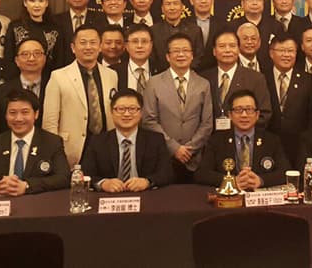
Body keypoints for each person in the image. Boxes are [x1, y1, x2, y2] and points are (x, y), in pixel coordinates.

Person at [0, 89, 69, 196]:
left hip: (36, 203)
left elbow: (63, 178)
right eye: (12, 113)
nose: (18, 118)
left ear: (36, 114)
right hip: (1, 202)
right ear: (6, 115)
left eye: (25, 112)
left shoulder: (51, 142)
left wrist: (27, 186)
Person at [42, 24, 120, 166]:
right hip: (71, 148)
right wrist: (54, 153)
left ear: (100, 46)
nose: (88, 47)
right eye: (83, 43)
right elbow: (50, 123)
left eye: (93, 42)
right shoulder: (58, 76)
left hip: (105, 145)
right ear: (73, 48)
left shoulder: (111, 75)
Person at [142, 33, 214, 182]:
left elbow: (207, 123)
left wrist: (190, 149)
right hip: (164, 156)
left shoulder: (203, 84)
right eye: (176, 51)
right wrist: (174, 148)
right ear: (168, 57)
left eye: (185, 50)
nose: (181, 54)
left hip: (194, 157)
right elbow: (149, 120)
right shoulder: (154, 83)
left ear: (192, 55)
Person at [195, 90, 290, 191]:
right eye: (238, 110)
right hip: (230, 196)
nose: (244, 115)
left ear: (257, 114)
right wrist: (231, 181)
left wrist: (261, 180)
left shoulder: (271, 140)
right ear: (230, 115)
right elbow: (201, 174)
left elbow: (285, 171)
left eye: (249, 109)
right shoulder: (216, 140)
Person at [81, 89, 174, 192]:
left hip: (145, 195)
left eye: (132, 109)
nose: (126, 114)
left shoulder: (155, 140)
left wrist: (147, 181)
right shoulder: (98, 142)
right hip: (110, 197)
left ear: (141, 113)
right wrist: (103, 183)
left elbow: (167, 173)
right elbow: (85, 174)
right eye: (121, 109)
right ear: (112, 112)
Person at [200, 30, 272, 130]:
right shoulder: (203, 78)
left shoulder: (256, 78)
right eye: (222, 46)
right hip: (209, 137)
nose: (227, 50)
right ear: (214, 51)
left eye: (232, 46)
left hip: (243, 136)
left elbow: (264, 114)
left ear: (238, 50)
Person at [0, 38, 48, 140]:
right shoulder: (0, 91)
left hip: (46, 144)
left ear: (44, 58)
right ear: (17, 61)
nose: (31, 58)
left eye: (37, 53)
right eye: (25, 54)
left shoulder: (53, 86)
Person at [264, 33, 312, 164]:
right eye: (281, 50)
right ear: (271, 53)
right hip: (268, 144)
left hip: (299, 145)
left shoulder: (308, 80)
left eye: (291, 51)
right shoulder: (261, 78)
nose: (286, 55)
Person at [4, 0, 64, 77]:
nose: (37, 5)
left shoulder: (55, 30)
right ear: (25, 3)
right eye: (32, 1)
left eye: (41, 1)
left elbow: (59, 62)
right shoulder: (15, 27)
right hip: (18, 80)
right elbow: (9, 58)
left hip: (48, 80)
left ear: (46, 3)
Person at [227, 0, 282, 65]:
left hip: (270, 70)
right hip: (240, 69)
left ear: (263, 2)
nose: (255, 3)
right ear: (242, 3)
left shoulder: (276, 26)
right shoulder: (231, 26)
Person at [152, 0, 203, 68]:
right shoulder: (153, 31)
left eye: (175, 3)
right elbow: (152, 59)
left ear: (182, 7)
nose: (172, 8)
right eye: (168, 4)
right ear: (162, 8)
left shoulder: (195, 30)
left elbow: (198, 58)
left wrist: (183, 71)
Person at [186, 0, 227, 70]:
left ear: (212, 0)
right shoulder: (184, 24)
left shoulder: (223, 25)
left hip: (215, 71)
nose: (203, 1)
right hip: (189, 70)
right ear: (191, 1)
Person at [116, 24, 162, 93]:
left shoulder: (162, 71)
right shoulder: (114, 72)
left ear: (151, 45)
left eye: (144, 41)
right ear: (126, 46)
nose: (139, 46)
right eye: (135, 41)